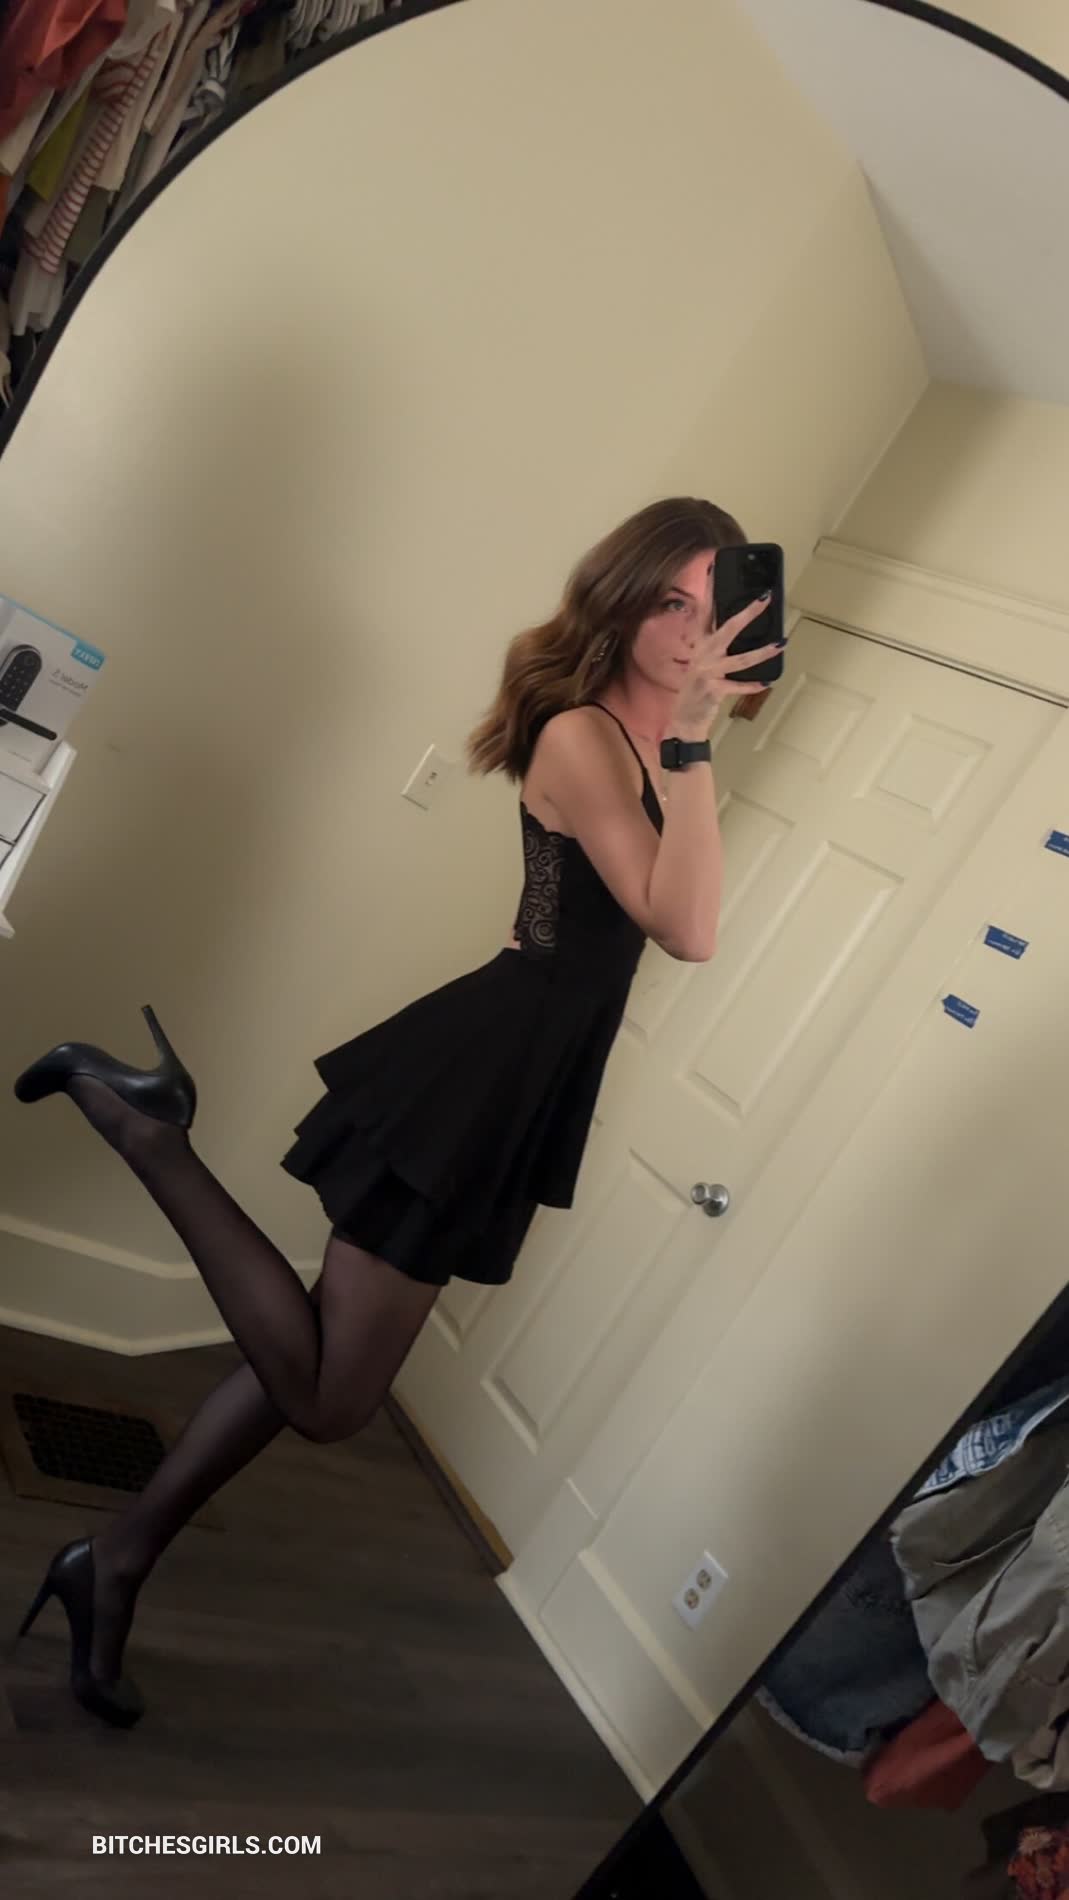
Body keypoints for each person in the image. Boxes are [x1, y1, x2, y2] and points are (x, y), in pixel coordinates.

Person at [11, 495, 781, 1728]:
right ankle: (144, 1125)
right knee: (331, 1400)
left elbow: (619, 912)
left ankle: (113, 1562)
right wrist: (694, 747)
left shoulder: (645, 751)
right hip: (484, 1071)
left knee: (309, 1354)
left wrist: (689, 747)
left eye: (711, 605)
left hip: (519, 1075)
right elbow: (685, 927)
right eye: (670, 603)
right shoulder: (587, 737)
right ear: (623, 602)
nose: (693, 631)